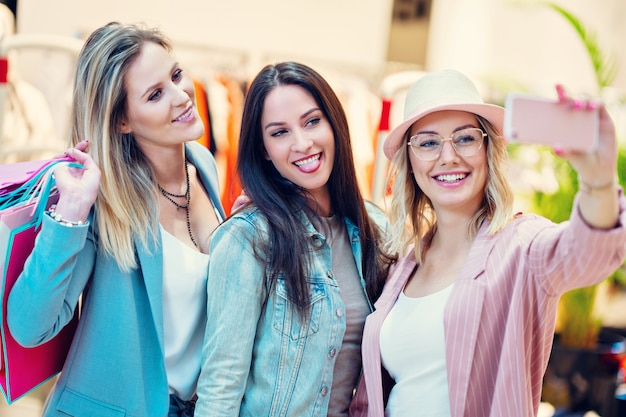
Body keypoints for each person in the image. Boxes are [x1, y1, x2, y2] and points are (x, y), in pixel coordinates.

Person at [349, 69, 626, 417]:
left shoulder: (520, 246)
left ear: (487, 150)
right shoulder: (402, 264)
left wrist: (598, 181)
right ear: (411, 162)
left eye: (465, 138)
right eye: (428, 142)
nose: (448, 156)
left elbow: (590, 253)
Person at [7, 22, 225, 417]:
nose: (182, 96)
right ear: (122, 121)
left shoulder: (204, 167)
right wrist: (69, 215)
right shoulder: (105, 204)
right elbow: (27, 326)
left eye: (176, 75)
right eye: (156, 94)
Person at [194, 61, 395, 417]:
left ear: (335, 124)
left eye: (312, 121)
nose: (302, 143)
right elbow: (221, 383)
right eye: (279, 132)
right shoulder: (249, 238)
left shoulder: (375, 229)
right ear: (264, 151)